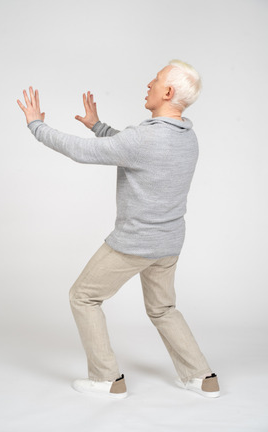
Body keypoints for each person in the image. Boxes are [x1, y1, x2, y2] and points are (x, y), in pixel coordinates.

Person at [17, 59, 220, 399]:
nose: (149, 84)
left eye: (155, 81)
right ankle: (202, 378)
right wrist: (98, 125)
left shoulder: (145, 139)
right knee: (163, 309)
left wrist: (37, 126)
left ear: (167, 92)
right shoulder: (187, 136)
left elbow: (84, 152)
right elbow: (130, 148)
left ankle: (107, 379)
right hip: (168, 244)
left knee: (83, 297)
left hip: (134, 244)